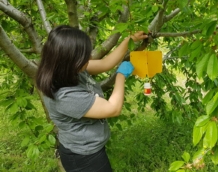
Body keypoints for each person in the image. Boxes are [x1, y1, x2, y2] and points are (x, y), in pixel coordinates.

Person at [35, 25, 148, 172]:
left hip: (87, 151)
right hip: (83, 158)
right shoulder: (65, 96)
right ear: (70, 59)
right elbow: (113, 109)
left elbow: (105, 63)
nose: (90, 58)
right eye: (85, 56)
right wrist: (120, 76)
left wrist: (129, 40)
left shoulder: (67, 69)